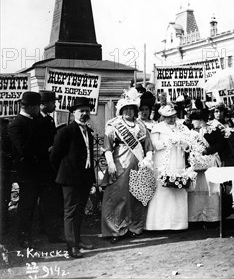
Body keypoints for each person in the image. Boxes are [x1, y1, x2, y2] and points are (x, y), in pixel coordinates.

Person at [101, 89, 153, 244]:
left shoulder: (141, 126)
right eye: (126, 108)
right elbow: (108, 147)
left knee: (136, 196)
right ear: (121, 110)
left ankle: (134, 227)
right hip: (120, 162)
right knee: (118, 197)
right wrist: (110, 163)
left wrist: (147, 159)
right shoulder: (113, 125)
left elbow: (148, 146)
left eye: (131, 108)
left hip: (138, 164)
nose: (129, 111)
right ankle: (115, 230)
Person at [50, 97, 96, 258]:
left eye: (87, 111)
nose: (84, 114)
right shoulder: (65, 132)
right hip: (70, 179)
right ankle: (71, 247)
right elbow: (55, 157)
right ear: (73, 113)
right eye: (81, 111)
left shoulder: (88, 132)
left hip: (84, 178)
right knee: (70, 212)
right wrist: (66, 173)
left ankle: (77, 240)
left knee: (80, 211)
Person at [7, 92, 49, 247]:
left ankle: (32, 233)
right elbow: (24, 149)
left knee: (35, 204)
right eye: (38, 106)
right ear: (31, 107)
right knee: (27, 205)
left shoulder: (34, 120)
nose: (39, 109)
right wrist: (45, 150)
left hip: (38, 171)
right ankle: (23, 236)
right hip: (28, 172)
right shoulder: (16, 124)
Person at [145, 104, 191, 231]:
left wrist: (183, 144)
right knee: (162, 192)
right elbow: (153, 145)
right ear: (163, 117)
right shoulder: (157, 128)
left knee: (178, 189)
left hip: (178, 162)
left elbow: (189, 144)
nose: (171, 119)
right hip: (163, 162)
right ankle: (159, 224)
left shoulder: (182, 127)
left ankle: (178, 223)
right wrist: (168, 142)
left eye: (173, 116)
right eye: (168, 117)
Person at [187, 109, 224, 223]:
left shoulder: (213, 130)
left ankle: (212, 216)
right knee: (197, 188)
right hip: (197, 163)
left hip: (210, 161)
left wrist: (206, 151)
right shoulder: (191, 132)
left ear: (200, 120)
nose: (192, 122)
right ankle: (196, 216)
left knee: (211, 188)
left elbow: (220, 144)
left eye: (194, 120)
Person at [38, 90, 64, 243]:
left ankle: (45, 228)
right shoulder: (38, 120)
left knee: (48, 199)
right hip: (44, 166)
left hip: (50, 165)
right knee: (49, 200)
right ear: (44, 104)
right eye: (53, 102)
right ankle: (51, 233)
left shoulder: (48, 119)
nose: (55, 105)